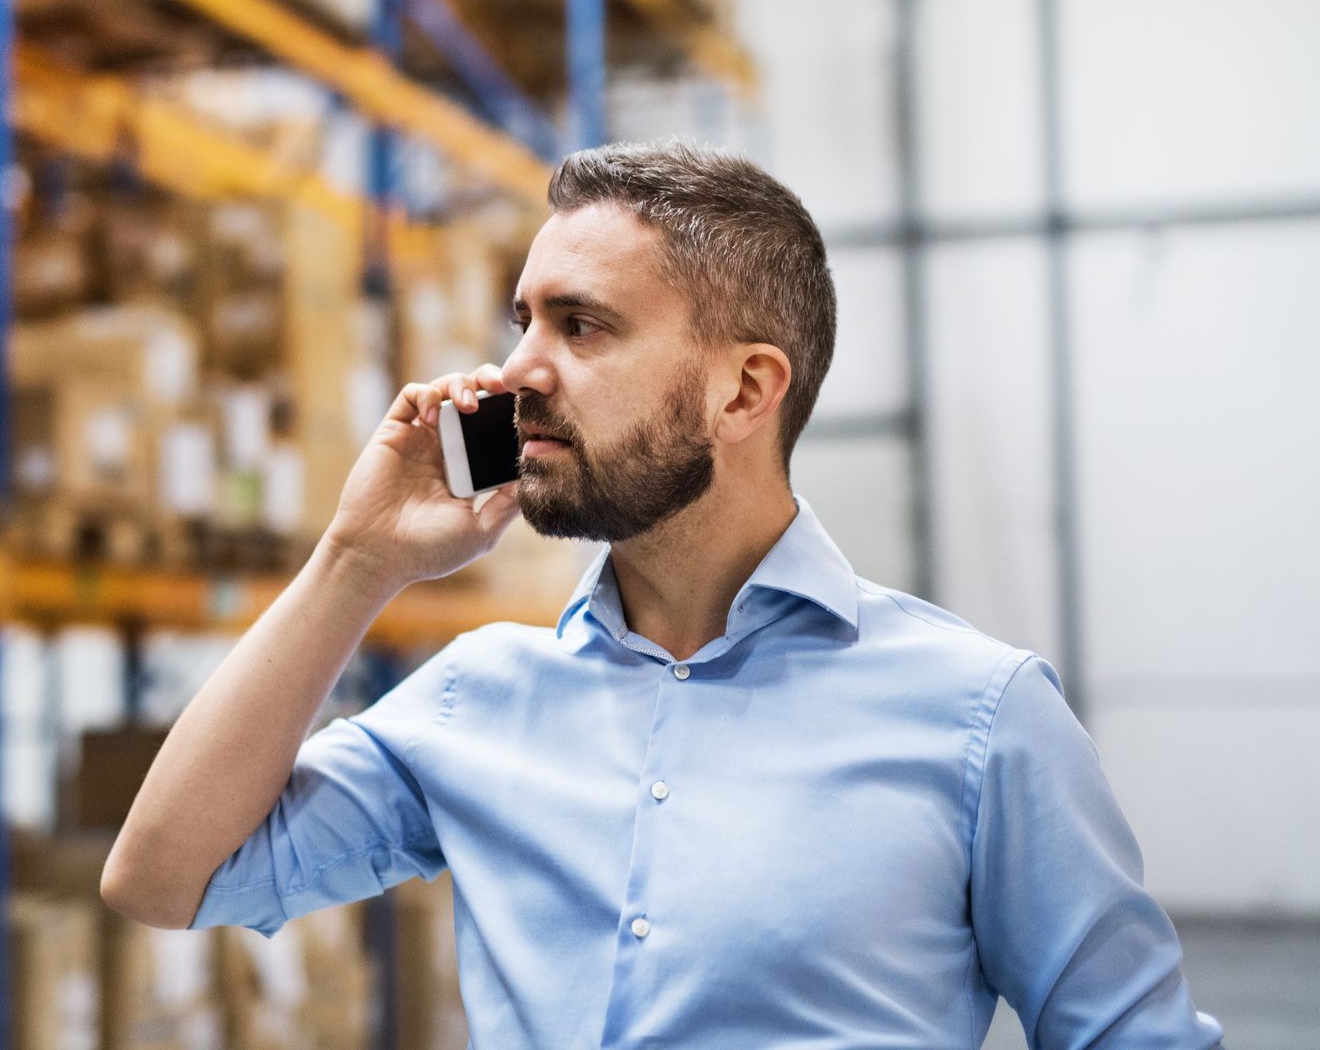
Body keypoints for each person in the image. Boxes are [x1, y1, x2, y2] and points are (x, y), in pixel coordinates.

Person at [101, 141, 1226, 1048]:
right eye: (523, 320)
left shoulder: (978, 719)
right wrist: (356, 560)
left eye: (581, 325)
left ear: (744, 388)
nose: (517, 373)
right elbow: (165, 877)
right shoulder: (477, 702)